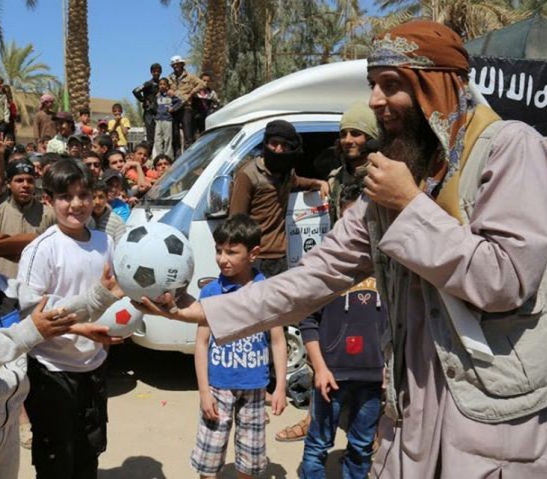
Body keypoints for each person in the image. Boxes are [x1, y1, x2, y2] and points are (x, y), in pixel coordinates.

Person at [140, 20, 547, 478]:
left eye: (390, 86)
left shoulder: (509, 149)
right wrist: (204, 311)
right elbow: (319, 273)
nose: (375, 101)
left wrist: (410, 205)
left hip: (489, 421)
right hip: (412, 415)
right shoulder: (397, 177)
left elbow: (505, 280)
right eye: (374, 85)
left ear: (438, 86)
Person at [0, 195, 121, 478]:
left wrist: (99, 296)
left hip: (7, 426)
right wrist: (31, 331)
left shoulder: (4, 287)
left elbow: (50, 308)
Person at [276, 102, 381, 443]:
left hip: (378, 271)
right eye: (344, 134)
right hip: (341, 269)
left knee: (374, 354)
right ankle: (316, 419)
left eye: (357, 133)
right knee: (323, 343)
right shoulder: (336, 178)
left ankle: (376, 429)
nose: (349, 139)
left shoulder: (383, 173)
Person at [17, 158, 122, 478]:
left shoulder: (107, 242)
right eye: (65, 197)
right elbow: (30, 314)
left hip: (93, 368)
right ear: (49, 200)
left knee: (88, 455)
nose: (76, 204)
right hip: (52, 373)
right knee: (55, 461)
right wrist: (82, 328)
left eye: (83, 195)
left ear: (95, 196)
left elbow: (119, 293)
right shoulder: (41, 249)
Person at [299, 181, 385, 479]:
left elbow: (402, 327)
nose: (358, 231)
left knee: (362, 447)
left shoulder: (389, 268)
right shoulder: (326, 268)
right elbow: (308, 322)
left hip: (374, 378)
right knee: (317, 446)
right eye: (350, 221)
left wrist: (390, 367)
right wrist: (320, 369)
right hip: (330, 377)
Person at [190, 214, 287, 478]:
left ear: (253, 253)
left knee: (250, 458)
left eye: (232, 252)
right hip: (218, 387)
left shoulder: (266, 291)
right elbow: (201, 344)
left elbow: (278, 340)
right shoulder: (211, 292)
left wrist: (280, 387)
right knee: (209, 457)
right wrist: (203, 392)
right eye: (219, 251)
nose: (223, 259)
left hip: (255, 388)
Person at [229, 119, 328, 278]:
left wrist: (318, 183)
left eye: (285, 145)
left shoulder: (286, 173)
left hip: (281, 257)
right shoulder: (248, 175)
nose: (279, 150)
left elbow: (298, 181)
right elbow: (235, 221)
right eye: (274, 143)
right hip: (257, 258)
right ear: (266, 143)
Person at [0, 158, 55, 279]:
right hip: (5, 288)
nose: (25, 185)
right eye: (19, 180)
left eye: (30, 181)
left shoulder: (49, 215)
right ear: (8, 184)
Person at [168, 55, 206, 156]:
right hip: (174, 109)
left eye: (177, 64)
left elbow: (202, 84)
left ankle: (188, 157)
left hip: (186, 108)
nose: (176, 66)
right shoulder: (170, 78)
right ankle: (177, 157)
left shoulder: (190, 77)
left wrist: (191, 93)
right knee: (175, 135)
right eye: (174, 64)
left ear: (182, 64)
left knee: (188, 135)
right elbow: (163, 87)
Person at [132, 62, 162, 153]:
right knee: (150, 139)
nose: (156, 73)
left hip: (160, 114)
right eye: (154, 71)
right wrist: (143, 100)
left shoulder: (162, 84)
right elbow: (135, 91)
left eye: (158, 71)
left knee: (160, 138)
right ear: (151, 72)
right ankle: (147, 157)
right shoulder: (148, 83)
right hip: (149, 114)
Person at [90, 180, 126, 244]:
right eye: (93, 197)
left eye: (101, 197)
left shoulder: (117, 223)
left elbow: (119, 249)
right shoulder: (84, 220)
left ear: (106, 198)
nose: (97, 202)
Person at [153, 77, 182, 159]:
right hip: (158, 120)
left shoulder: (170, 95)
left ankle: (168, 157)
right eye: (160, 84)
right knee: (158, 139)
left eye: (164, 84)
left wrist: (173, 108)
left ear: (167, 86)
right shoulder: (158, 96)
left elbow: (179, 102)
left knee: (167, 139)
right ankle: (159, 157)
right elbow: (155, 106)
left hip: (167, 119)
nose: (162, 86)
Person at [193, 72, 220, 136]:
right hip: (195, 117)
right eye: (204, 80)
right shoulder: (194, 92)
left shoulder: (211, 93)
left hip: (206, 118)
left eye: (208, 81)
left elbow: (217, 102)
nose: (206, 82)